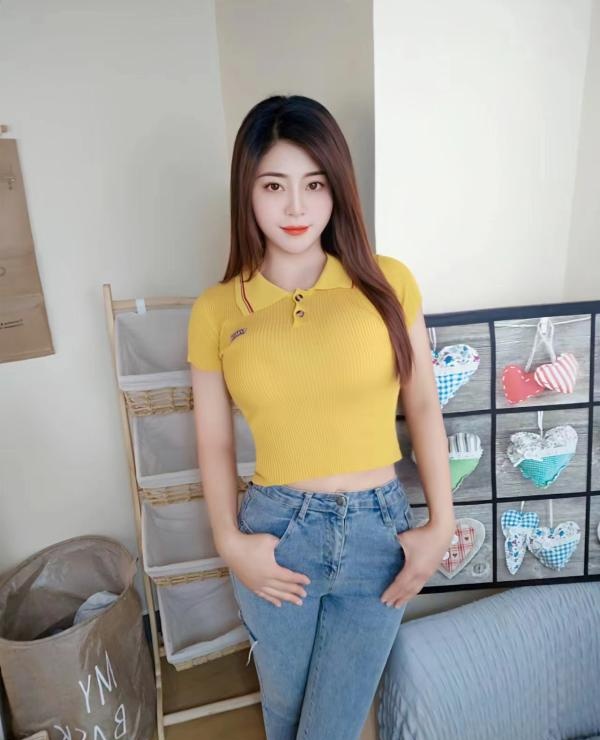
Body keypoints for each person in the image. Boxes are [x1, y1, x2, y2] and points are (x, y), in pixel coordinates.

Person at [187, 94, 455, 740]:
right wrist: (229, 542)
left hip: (379, 534)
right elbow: (214, 442)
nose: (296, 208)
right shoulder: (217, 310)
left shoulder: (387, 283)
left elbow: (422, 403)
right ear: (247, 193)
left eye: (314, 184)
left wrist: (441, 525)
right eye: (273, 185)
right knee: (285, 714)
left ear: (337, 188)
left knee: (335, 720)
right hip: (279, 535)